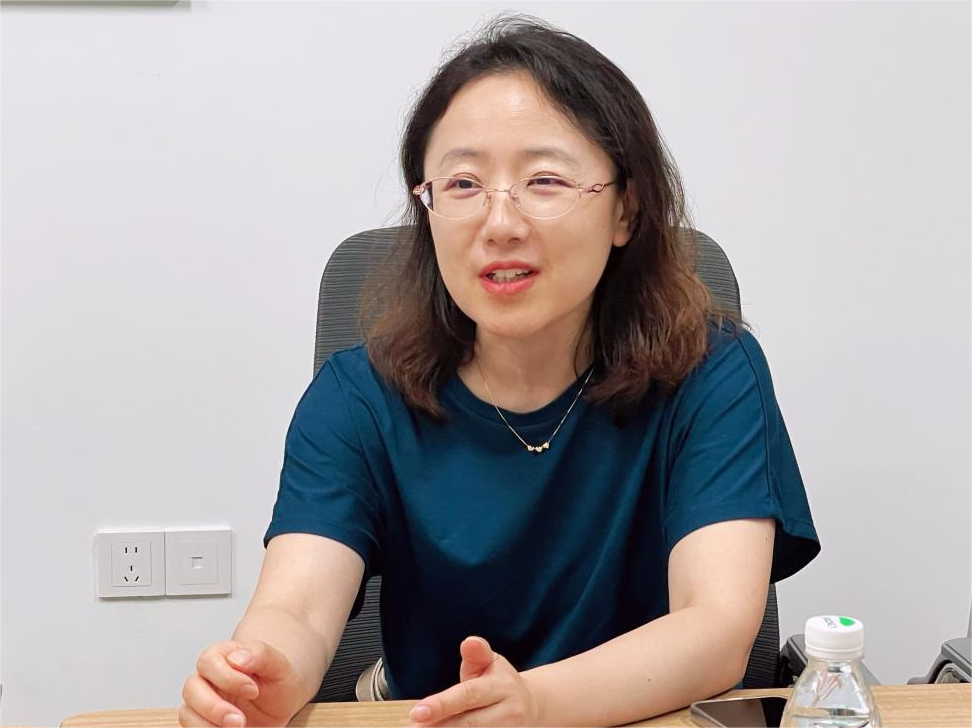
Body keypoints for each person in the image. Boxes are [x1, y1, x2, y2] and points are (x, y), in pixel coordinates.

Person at [179, 16, 819, 728]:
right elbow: (296, 608)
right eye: (462, 183)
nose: (500, 223)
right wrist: (263, 671)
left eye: (544, 180)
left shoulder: (709, 372)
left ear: (626, 210)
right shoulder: (357, 399)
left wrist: (534, 704)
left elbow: (716, 630)